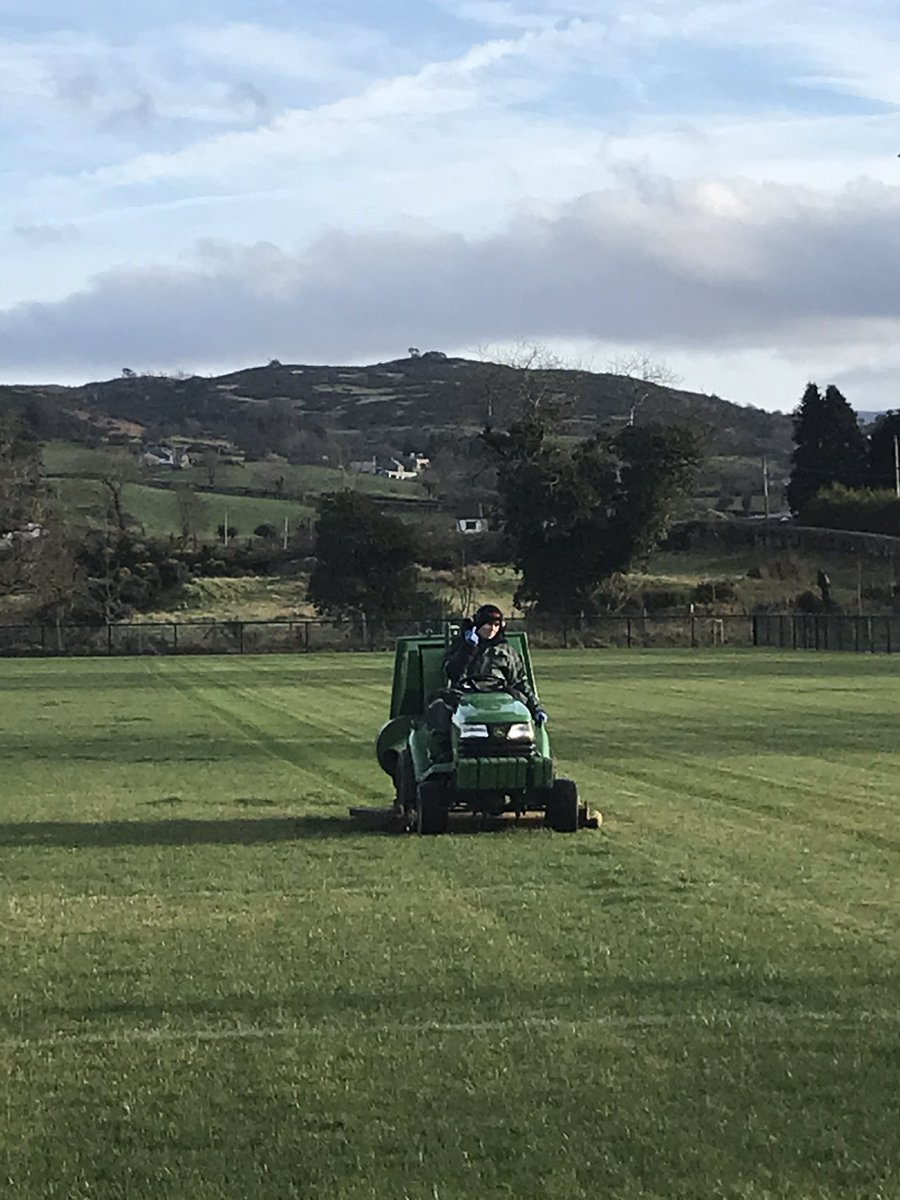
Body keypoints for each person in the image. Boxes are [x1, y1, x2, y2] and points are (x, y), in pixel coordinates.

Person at [426, 604, 547, 751]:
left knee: (523, 715)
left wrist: (536, 708)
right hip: (466, 694)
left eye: (496, 625)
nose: (492, 629)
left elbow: (520, 682)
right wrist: (468, 648)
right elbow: (452, 672)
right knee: (438, 705)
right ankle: (444, 752)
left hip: (501, 696)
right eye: (488, 624)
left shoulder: (506, 651)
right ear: (478, 625)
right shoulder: (461, 646)